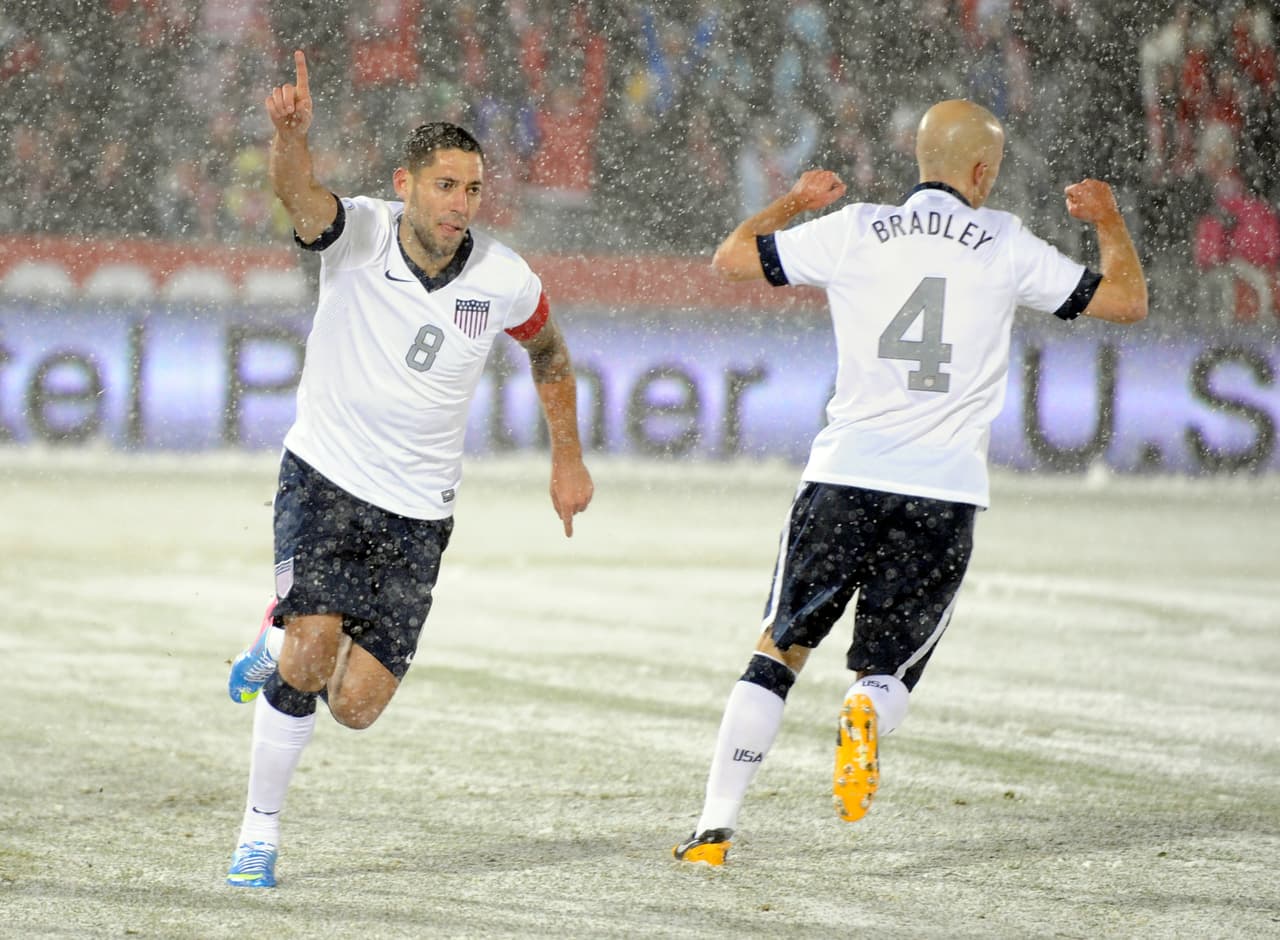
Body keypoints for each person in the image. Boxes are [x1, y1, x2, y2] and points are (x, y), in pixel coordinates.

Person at [673, 98, 1147, 866]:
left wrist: (795, 202)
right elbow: (1128, 302)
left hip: (845, 474)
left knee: (778, 648)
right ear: (983, 172)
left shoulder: (857, 227)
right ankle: (864, 707)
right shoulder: (1004, 241)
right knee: (887, 668)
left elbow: (731, 256)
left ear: (920, 162)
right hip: (944, 488)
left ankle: (712, 830)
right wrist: (1108, 219)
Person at [224, 51, 594, 888]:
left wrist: (566, 459)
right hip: (324, 476)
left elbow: (551, 352)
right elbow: (298, 195)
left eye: (473, 189)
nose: (462, 204)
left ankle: (276, 631)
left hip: (419, 515)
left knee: (354, 707)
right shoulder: (356, 231)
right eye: (446, 186)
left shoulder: (504, 277)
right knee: (313, 653)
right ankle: (258, 833)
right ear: (407, 183)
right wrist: (290, 138)